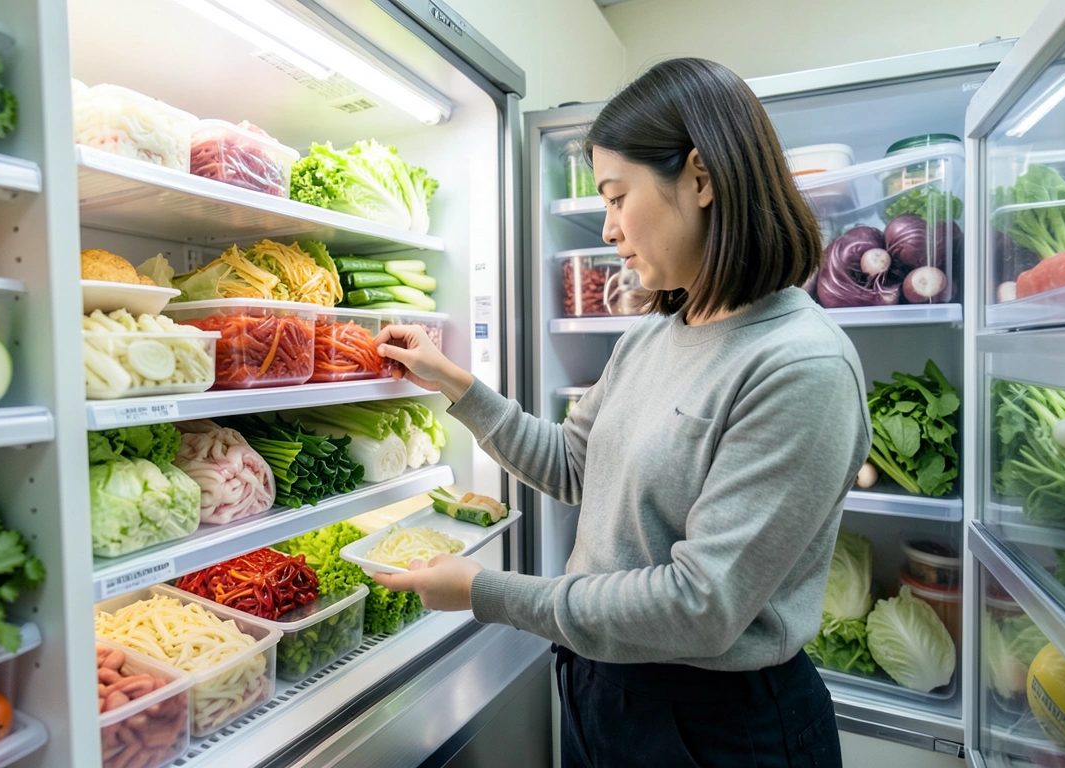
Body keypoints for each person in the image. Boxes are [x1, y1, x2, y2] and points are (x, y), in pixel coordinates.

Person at [371, 57, 870, 768]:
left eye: (616, 196)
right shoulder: (650, 339)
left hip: (718, 726)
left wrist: (486, 592)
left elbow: (701, 605)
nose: (607, 228)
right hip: (600, 685)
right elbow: (575, 466)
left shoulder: (800, 366)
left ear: (701, 178)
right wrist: (454, 383)